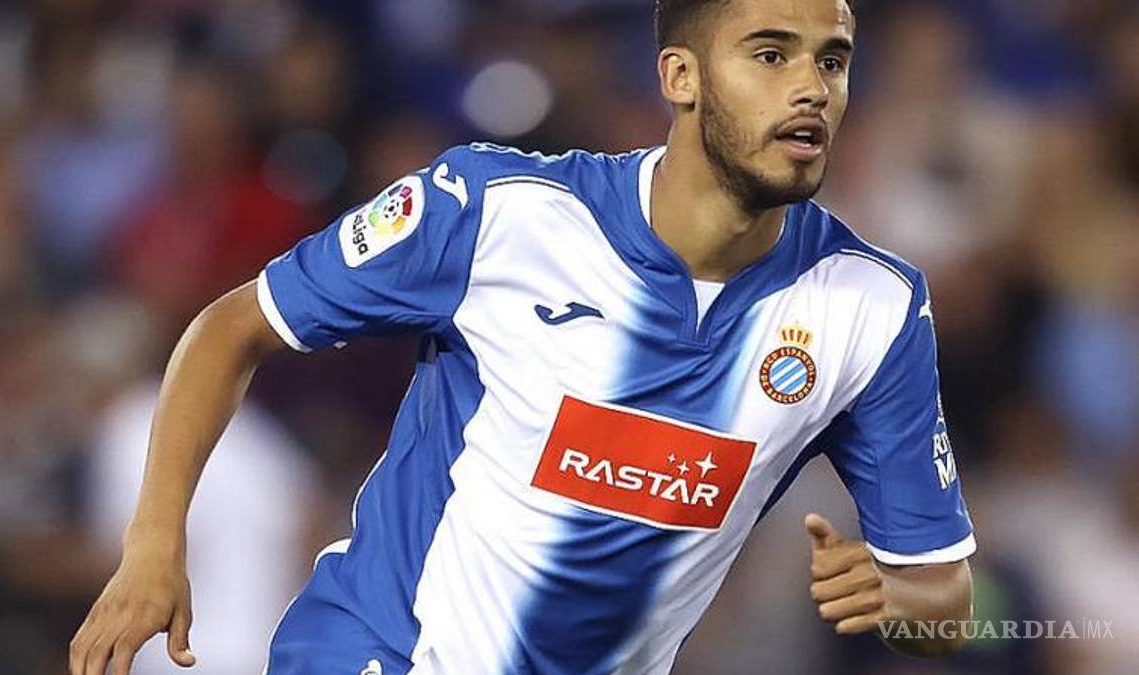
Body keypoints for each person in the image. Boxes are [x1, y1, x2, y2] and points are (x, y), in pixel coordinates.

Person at [69, 1, 976, 673]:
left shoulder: (872, 307)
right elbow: (232, 327)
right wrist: (152, 548)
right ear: (681, 77)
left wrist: (896, 598)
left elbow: (946, 600)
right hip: (380, 652)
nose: (812, 87)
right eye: (771, 55)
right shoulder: (496, 212)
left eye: (833, 60)